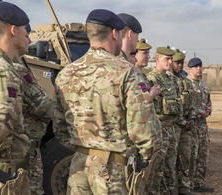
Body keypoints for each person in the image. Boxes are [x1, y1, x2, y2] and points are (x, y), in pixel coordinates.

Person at [53, 9, 159, 194]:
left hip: (77, 166)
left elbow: (59, 128)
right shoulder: (127, 72)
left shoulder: (65, 74)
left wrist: (84, 149)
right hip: (113, 170)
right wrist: (144, 159)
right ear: (114, 33)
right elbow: (145, 131)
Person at [0, 2, 31, 194]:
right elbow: (0, 129)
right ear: (13, 30)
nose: (27, 35)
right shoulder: (3, 70)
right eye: (25, 30)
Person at [12, 24, 53, 195]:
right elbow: (45, 108)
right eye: (27, 35)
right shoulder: (19, 70)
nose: (30, 40)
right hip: (24, 152)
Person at [147, 46, 179, 194]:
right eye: (167, 59)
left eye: (171, 59)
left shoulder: (171, 79)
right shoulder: (151, 79)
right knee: (157, 168)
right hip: (159, 128)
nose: (170, 62)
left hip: (172, 127)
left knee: (170, 165)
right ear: (158, 59)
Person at [167, 49, 195, 195]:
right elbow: (170, 107)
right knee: (171, 160)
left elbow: (191, 104)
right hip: (173, 127)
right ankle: (171, 189)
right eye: (177, 62)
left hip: (186, 127)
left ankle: (184, 188)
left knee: (185, 158)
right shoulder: (167, 81)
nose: (180, 65)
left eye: (181, 63)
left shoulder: (186, 81)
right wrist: (182, 122)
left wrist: (190, 119)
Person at [188, 58, 214, 193]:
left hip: (203, 126)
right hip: (192, 127)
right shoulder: (186, 84)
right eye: (195, 67)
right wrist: (200, 112)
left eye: (200, 66)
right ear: (190, 69)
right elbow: (186, 106)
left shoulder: (204, 85)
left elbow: (208, 101)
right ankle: (189, 185)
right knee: (192, 156)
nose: (199, 69)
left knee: (203, 155)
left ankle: (199, 182)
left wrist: (209, 109)